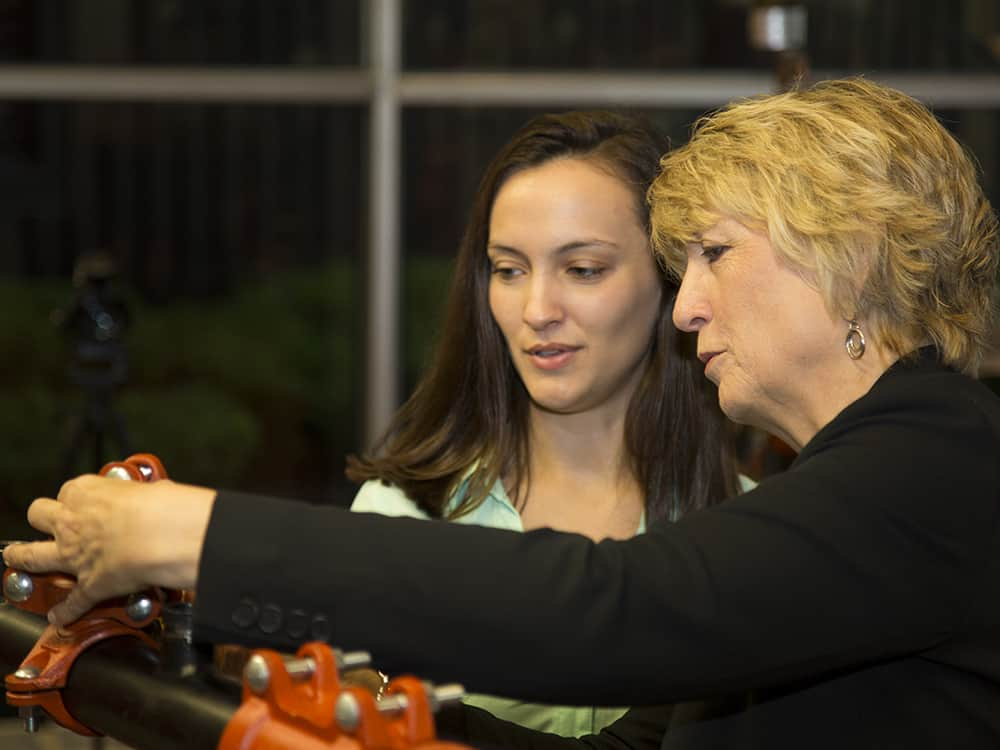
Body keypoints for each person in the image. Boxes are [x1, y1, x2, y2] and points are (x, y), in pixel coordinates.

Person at [6, 77, 1000, 749]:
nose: (686, 305)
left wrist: (202, 536)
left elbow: (615, 613)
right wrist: (363, 724)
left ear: (854, 257)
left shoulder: (940, 463)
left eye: (716, 254)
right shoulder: (863, 479)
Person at [346, 110, 746, 736]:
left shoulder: (751, 536)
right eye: (509, 269)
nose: (537, 310)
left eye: (582, 270)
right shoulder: (401, 515)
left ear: (672, 283)